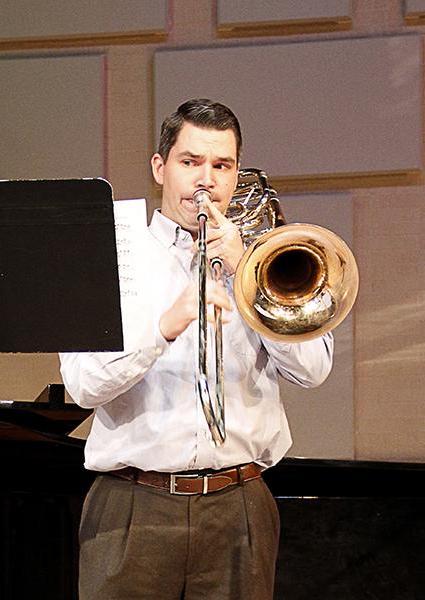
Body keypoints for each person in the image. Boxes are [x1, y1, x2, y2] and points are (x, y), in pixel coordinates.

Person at [59, 98, 333, 600]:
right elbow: (82, 386)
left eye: (221, 165)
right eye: (190, 162)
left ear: (234, 174)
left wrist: (247, 276)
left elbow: (313, 371)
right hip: (133, 505)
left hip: (240, 504)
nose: (205, 179)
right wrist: (163, 328)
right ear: (160, 168)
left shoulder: (261, 259)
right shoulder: (114, 258)